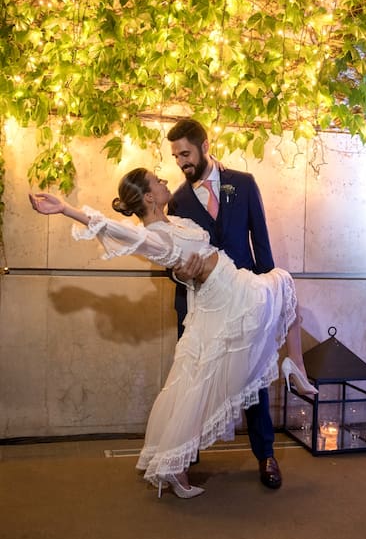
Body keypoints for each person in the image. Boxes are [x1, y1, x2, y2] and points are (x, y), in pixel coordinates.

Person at [29, 168, 317, 500]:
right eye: (158, 181)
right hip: (227, 295)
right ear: (149, 196)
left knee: (205, 369)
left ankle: (293, 367)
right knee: (279, 291)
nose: (166, 181)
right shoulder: (152, 235)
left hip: (225, 288)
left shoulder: (176, 221)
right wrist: (66, 208)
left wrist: (187, 272)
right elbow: (114, 229)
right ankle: (293, 367)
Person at [166, 118, 283, 490]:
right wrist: (183, 274)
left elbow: (260, 242)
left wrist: (270, 291)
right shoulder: (178, 200)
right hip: (203, 306)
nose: (181, 162)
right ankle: (184, 459)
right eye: (175, 156)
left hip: (245, 298)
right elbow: (172, 261)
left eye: (185, 153)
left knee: (255, 379)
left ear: (204, 145)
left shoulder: (244, 184)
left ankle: (266, 455)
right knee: (194, 383)